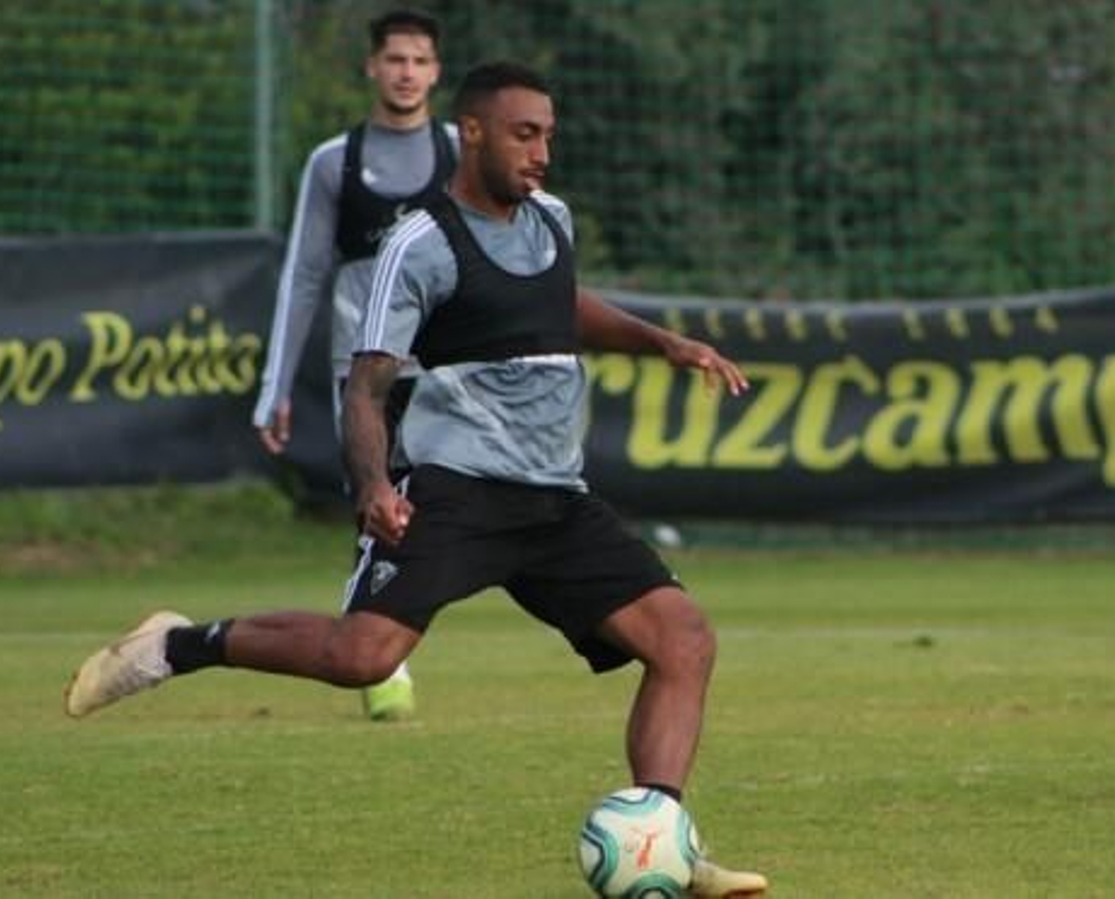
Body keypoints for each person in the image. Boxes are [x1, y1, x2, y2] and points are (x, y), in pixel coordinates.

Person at [64, 61, 769, 896]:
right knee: (363, 657)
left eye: (548, 133)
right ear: (469, 133)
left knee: (683, 639)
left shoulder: (552, 218)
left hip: (555, 497)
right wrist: (371, 483)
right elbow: (365, 384)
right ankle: (176, 644)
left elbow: (561, 303)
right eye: (523, 133)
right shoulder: (420, 242)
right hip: (455, 489)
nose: (542, 151)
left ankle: (665, 841)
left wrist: (662, 341)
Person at [252, 9, 456, 721]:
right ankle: (381, 660)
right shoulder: (333, 161)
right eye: (394, 59)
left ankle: (381, 643)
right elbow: (304, 274)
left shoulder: (461, 151)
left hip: (443, 369)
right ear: (372, 67)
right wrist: (276, 386)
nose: (406, 72)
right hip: (364, 371)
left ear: (436, 72)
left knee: (440, 510)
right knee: (376, 511)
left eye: (419, 61)